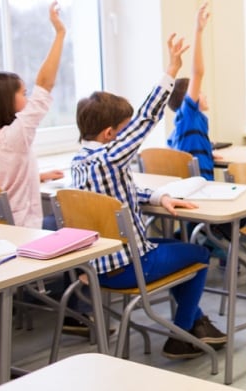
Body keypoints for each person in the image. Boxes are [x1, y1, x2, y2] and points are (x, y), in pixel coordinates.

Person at [71, 32, 226, 360]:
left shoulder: (81, 162)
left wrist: (158, 197)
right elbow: (146, 119)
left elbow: (118, 193)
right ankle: (181, 334)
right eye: (124, 130)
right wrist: (170, 69)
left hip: (97, 266)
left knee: (175, 249)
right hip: (128, 265)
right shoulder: (109, 157)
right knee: (198, 254)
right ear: (111, 134)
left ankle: (194, 322)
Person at [0, 2, 65, 228]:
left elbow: (5, 182)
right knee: (73, 219)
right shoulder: (14, 136)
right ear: (7, 100)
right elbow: (45, 84)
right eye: (23, 93)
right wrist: (60, 33)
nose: (28, 99)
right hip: (25, 230)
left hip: (7, 232)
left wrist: (37, 176)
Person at [167, 3, 217, 181]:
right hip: (200, 190)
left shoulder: (179, 130)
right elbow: (198, 72)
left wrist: (207, 153)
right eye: (200, 92)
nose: (204, 94)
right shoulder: (189, 117)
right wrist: (198, 31)